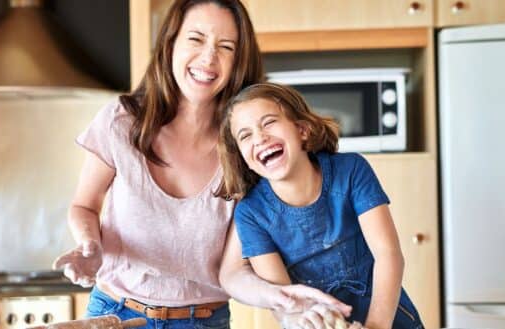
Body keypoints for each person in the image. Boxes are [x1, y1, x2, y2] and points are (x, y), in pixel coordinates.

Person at [52, 1, 349, 328]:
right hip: (114, 313)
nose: (209, 58)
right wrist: (89, 246)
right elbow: (85, 204)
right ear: (170, 45)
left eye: (225, 47)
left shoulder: (246, 148)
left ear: (238, 61)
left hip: (202, 321)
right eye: (196, 39)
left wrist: (289, 304)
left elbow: (235, 269)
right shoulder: (121, 122)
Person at [216, 82, 425, 329]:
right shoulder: (251, 214)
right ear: (242, 157)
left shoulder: (351, 170)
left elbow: (388, 254)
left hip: (391, 321)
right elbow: (284, 300)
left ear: (302, 129)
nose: (259, 138)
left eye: (269, 122)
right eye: (245, 135)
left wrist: (376, 325)